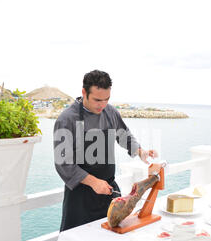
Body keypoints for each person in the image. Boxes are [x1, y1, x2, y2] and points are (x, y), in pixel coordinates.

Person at [53, 70, 158, 231]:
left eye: (106, 99)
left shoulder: (111, 112)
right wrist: (93, 182)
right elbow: (63, 164)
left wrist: (140, 151)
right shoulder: (66, 119)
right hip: (80, 198)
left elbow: (125, 137)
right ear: (84, 92)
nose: (102, 105)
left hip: (109, 193)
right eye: (97, 100)